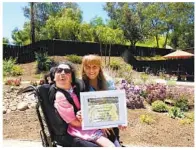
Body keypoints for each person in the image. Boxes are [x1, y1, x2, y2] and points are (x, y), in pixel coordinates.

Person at [53, 62, 115, 147]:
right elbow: (74, 123)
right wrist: (96, 122)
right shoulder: (60, 97)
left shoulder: (76, 88)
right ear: (54, 77)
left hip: (89, 122)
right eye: (59, 70)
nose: (63, 73)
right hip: (81, 128)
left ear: (71, 78)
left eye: (67, 71)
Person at [79, 54, 126, 147]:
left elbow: (114, 104)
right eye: (87, 67)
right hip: (90, 127)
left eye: (94, 67)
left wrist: (120, 120)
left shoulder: (108, 81)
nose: (91, 70)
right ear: (83, 68)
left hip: (109, 124)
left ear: (99, 67)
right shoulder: (80, 84)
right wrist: (100, 124)